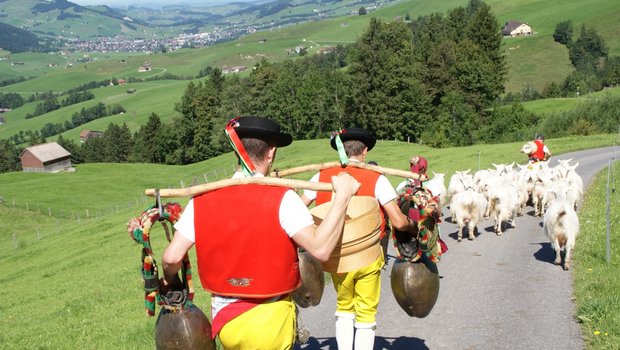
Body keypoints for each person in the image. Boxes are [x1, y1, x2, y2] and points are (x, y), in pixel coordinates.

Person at [161, 116, 361, 350]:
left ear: (237, 151)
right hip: (270, 321)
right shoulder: (283, 197)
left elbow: (171, 258)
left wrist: (170, 280)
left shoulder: (201, 201)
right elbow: (321, 248)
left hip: (226, 323)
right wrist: (343, 198)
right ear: (271, 153)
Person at [300, 127, 417, 350]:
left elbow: (300, 209)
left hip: (337, 257)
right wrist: (412, 225)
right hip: (368, 256)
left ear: (341, 151)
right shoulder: (376, 178)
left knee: (344, 306)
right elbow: (399, 221)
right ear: (364, 151)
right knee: (366, 312)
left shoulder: (321, 176)